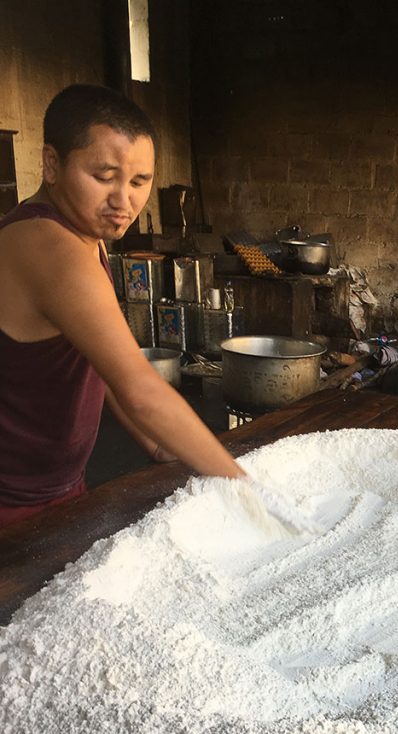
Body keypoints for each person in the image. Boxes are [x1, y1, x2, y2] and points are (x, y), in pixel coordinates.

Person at [0, 84, 245, 527]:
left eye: (139, 182)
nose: (123, 200)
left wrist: (157, 446)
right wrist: (248, 491)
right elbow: (139, 391)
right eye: (103, 177)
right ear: (51, 164)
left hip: (61, 488)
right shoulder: (46, 245)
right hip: (12, 504)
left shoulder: (86, 239)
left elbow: (100, 363)